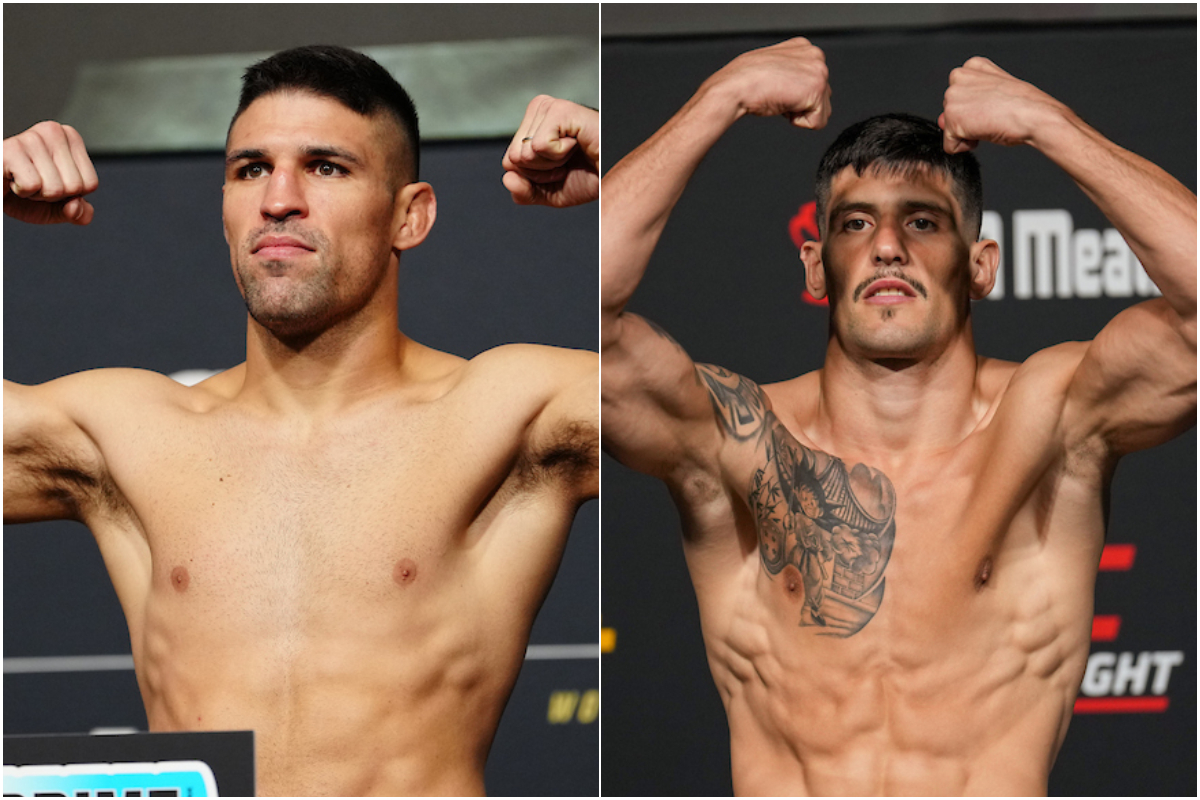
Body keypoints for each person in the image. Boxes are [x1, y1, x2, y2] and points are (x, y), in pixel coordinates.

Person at [601, 37, 1195, 796]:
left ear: (980, 265)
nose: (886, 247)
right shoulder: (741, 439)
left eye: (922, 222)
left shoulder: (1052, 419)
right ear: (815, 266)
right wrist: (723, 94)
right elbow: (592, 317)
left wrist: (1047, 122)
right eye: (854, 224)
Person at [4, 45, 598, 797]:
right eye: (252, 169)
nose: (278, 199)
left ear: (410, 216)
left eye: (326, 167)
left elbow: (694, 411)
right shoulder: (129, 432)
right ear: (224, 208)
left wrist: (619, 163)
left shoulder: (502, 413)